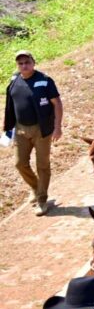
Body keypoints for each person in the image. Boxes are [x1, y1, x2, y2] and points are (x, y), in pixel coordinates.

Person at [5, 50, 62, 216]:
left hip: (41, 129)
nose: (24, 66)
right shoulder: (14, 80)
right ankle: (36, 188)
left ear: (33, 62)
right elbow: (10, 105)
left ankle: (42, 200)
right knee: (19, 163)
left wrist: (57, 127)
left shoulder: (44, 81)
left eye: (27, 62)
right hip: (21, 129)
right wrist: (9, 129)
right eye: (20, 63)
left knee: (42, 165)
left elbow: (57, 103)